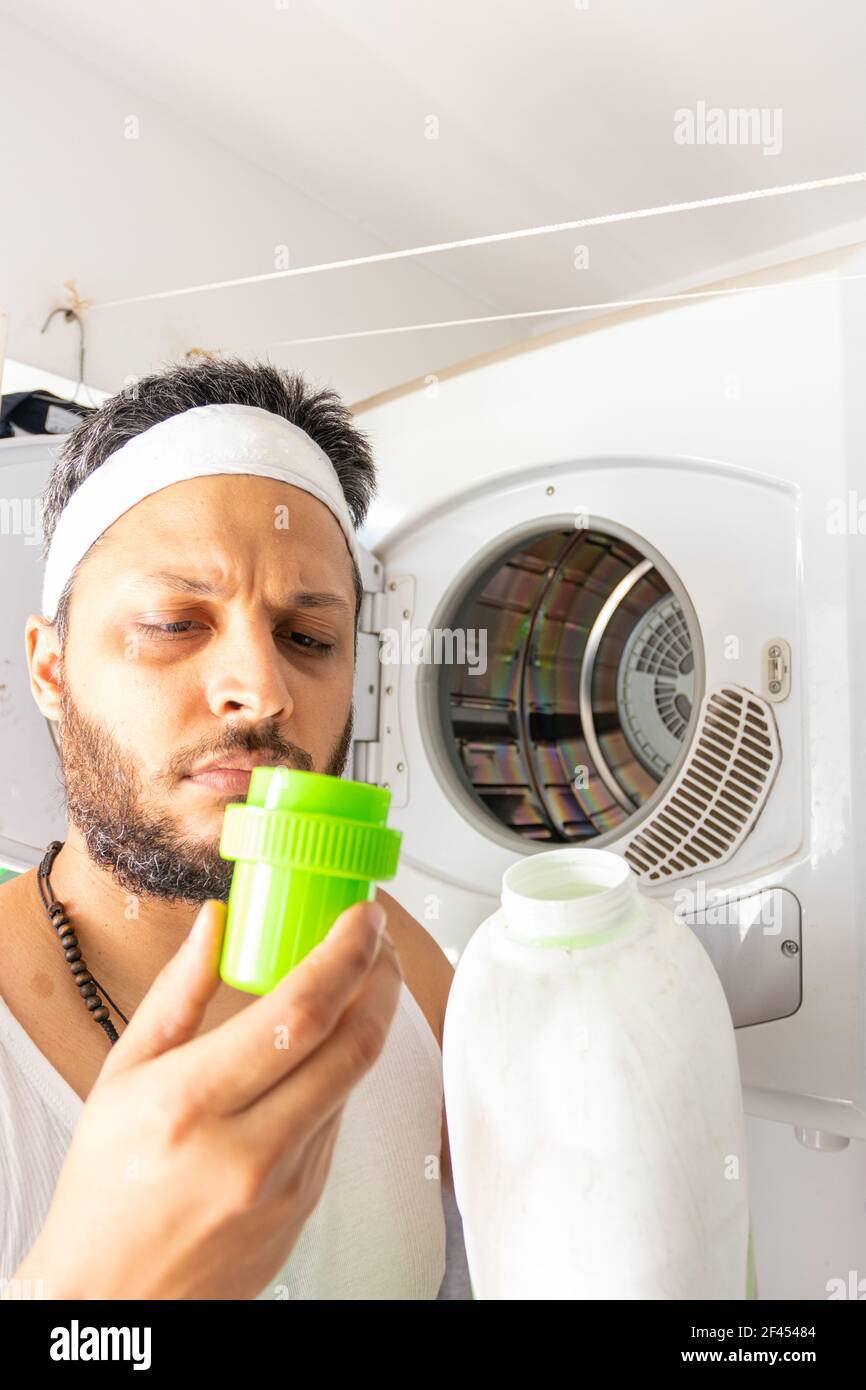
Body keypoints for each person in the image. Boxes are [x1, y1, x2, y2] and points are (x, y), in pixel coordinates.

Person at [0, 356, 470, 1300]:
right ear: (50, 671)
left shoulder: (406, 978)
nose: (261, 690)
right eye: (177, 621)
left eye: (310, 640)